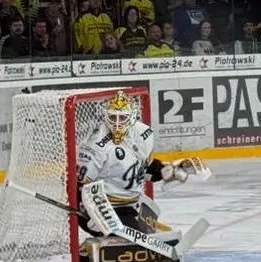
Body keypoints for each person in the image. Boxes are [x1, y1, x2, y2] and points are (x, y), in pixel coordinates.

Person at [76, 92, 205, 244]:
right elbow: (79, 184)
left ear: (132, 117)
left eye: (122, 117)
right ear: (105, 116)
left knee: (150, 239)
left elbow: (142, 168)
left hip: (131, 206)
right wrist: (93, 212)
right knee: (136, 245)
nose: (117, 123)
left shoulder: (142, 133)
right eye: (113, 117)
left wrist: (170, 171)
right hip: (103, 209)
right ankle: (86, 254)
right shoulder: (96, 146)